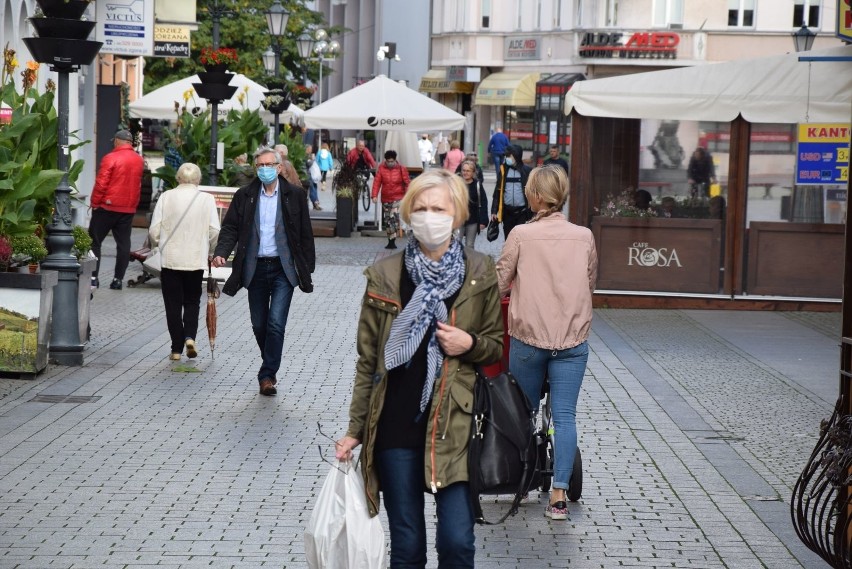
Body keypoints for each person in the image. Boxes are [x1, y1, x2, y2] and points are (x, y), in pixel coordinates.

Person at [335, 169, 503, 568]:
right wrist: (355, 430)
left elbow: (495, 345)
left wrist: (470, 344)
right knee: (408, 548)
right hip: (395, 425)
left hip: (455, 425)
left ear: (457, 214)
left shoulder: (480, 272)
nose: (430, 217)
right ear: (410, 213)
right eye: (422, 208)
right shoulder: (385, 275)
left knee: (458, 543)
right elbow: (369, 361)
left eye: (439, 208)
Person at [496, 164, 597, 522]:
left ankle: (521, 481)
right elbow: (590, 281)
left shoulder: (521, 235)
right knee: (566, 416)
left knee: (521, 411)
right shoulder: (584, 236)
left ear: (536, 196)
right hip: (572, 339)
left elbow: (500, 283)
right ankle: (558, 496)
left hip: (528, 339)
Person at [211, 146, 316, 397]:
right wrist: (221, 251)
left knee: (276, 323)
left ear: (279, 168)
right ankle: (270, 364)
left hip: (283, 268)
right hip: (255, 267)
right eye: (260, 166)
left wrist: (306, 266)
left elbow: (304, 233)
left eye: (269, 165)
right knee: (260, 325)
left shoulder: (295, 195)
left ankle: (267, 375)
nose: (265, 170)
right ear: (255, 168)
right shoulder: (245, 195)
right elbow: (231, 229)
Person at [148, 163, 220, 362]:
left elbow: (154, 230)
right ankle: (190, 337)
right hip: (195, 260)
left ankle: (176, 349)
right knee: (192, 301)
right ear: (198, 179)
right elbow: (214, 231)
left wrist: (157, 244)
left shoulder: (166, 197)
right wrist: (211, 251)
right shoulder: (206, 199)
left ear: (178, 178)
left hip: (170, 260)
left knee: (172, 305)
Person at [88, 129, 145, 290]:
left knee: (95, 241)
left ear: (118, 141)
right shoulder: (138, 160)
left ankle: (93, 277)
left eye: (114, 140)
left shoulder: (110, 158)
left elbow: (101, 183)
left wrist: (94, 202)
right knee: (123, 244)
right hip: (127, 208)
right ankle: (117, 280)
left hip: (107, 205)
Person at [490, 144, 532, 239]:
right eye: (506, 156)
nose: (506, 158)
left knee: (520, 239)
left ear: (516, 156)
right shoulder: (503, 170)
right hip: (507, 212)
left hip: (522, 212)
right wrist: (494, 211)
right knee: (508, 238)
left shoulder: (527, 171)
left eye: (509, 156)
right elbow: (497, 191)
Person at [371, 150, 411, 250]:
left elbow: (407, 183)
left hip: (398, 198)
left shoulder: (401, 169)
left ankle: (392, 241)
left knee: (393, 218)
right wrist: (374, 195)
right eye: (388, 161)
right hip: (386, 199)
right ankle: (390, 240)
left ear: (395, 160)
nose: (390, 163)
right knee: (388, 220)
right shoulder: (381, 168)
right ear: (386, 160)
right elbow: (377, 182)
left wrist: (407, 196)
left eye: (392, 161)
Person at [459, 159, 488, 249]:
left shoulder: (477, 185)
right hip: (458, 219)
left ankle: (469, 262)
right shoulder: (457, 183)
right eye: (464, 170)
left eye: (468, 171)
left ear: (473, 172)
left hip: (473, 220)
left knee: (469, 245)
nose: (465, 173)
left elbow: (483, 203)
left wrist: (483, 220)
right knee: (455, 244)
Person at [304, 144, 321, 210]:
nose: (311, 150)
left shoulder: (308, 155)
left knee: (314, 187)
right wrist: (313, 159)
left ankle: (315, 202)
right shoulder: (304, 155)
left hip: (310, 175)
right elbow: (308, 164)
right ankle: (315, 202)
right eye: (310, 149)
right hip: (307, 175)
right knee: (312, 188)